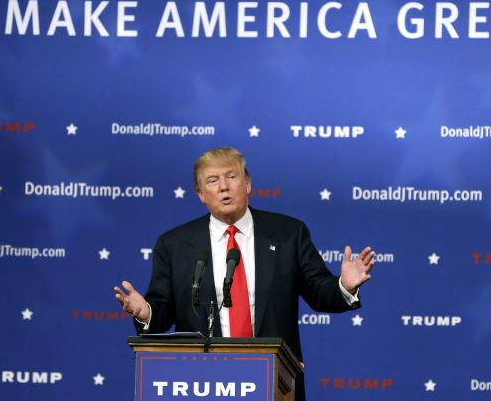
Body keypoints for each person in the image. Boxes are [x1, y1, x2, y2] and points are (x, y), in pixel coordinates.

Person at [114, 147, 375, 400]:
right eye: (213, 180)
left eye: (231, 176)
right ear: (201, 194)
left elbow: (319, 291)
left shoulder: (288, 234)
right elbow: (163, 310)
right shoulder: (174, 245)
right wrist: (146, 313)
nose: (224, 187)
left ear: (248, 184)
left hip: (273, 381)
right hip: (202, 381)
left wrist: (345, 286)